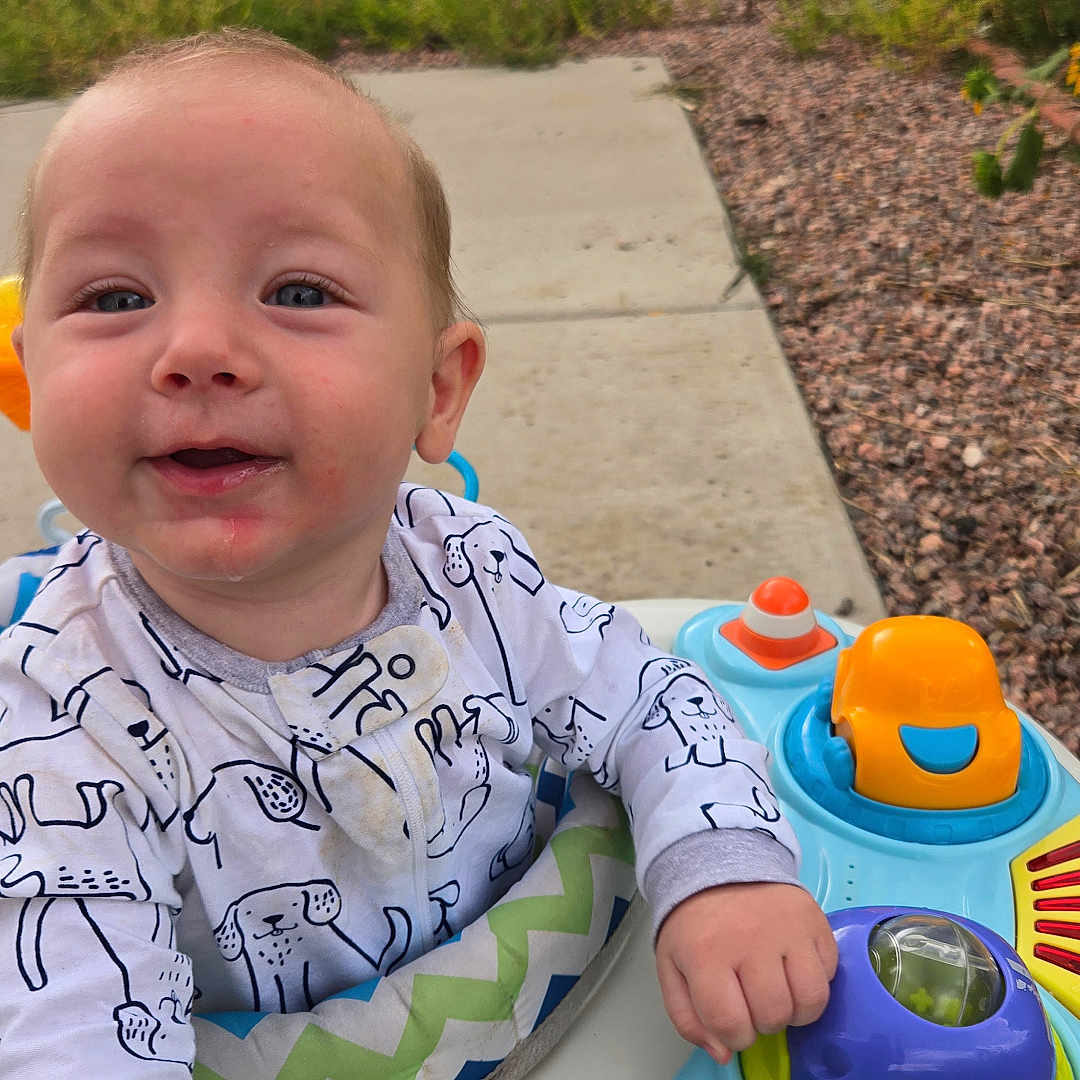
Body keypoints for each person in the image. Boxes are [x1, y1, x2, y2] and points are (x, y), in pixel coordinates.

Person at [0, 29, 836, 1075]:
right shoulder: (56, 727)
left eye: (299, 291)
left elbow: (657, 704)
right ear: (31, 378)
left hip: (585, 998)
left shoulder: (476, 576)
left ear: (437, 391)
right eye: (116, 298)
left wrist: (723, 871)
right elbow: (74, 1022)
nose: (197, 352)